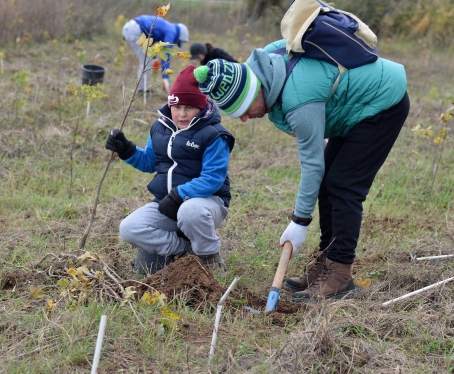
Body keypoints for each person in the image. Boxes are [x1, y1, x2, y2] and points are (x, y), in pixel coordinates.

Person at [193, 40, 409, 301]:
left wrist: (300, 222)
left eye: (243, 110)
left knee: (343, 184)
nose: (244, 119)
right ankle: (327, 263)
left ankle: (340, 275)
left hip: (382, 101)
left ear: (254, 93)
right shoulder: (265, 64)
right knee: (330, 182)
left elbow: (312, 166)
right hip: (353, 107)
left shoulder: (297, 100)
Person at [105, 65, 235, 275]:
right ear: (170, 105)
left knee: (189, 211)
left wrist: (179, 195)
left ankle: (209, 257)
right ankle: (184, 252)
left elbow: (213, 179)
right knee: (129, 228)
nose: (182, 114)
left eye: (189, 108)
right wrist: (126, 150)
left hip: (208, 203)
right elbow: (149, 162)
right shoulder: (160, 127)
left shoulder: (214, 135)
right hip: (167, 204)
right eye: (177, 107)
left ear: (201, 108)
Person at [122, 15, 189, 93]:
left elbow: (150, 42)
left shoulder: (168, 27)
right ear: (179, 36)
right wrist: (165, 78)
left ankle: (142, 88)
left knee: (147, 59)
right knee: (145, 60)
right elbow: (166, 54)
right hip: (134, 30)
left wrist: (154, 58)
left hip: (132, 28)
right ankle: (141, 90)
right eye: (178, 42)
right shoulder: (172, 31)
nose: (176, 43)